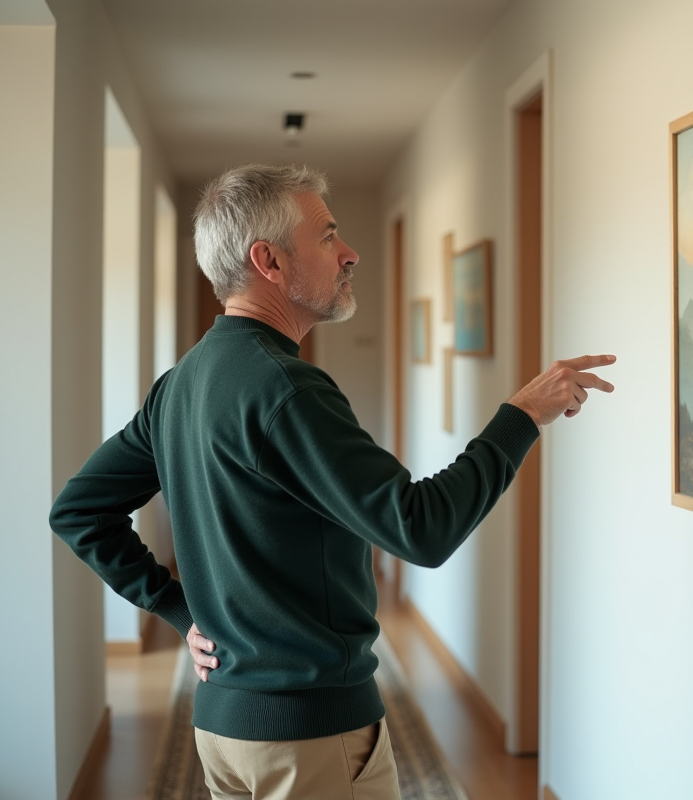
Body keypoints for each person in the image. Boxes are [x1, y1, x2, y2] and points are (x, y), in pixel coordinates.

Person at [48, 164, 615, 800]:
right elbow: (422, 528)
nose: (350, 253)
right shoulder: (285, 389)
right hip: (309, 736)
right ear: (269, 261)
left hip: (224, 732)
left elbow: (77, 510)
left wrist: (178, 613)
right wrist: (521, 416)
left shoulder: (180, 384)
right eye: (327, 236)